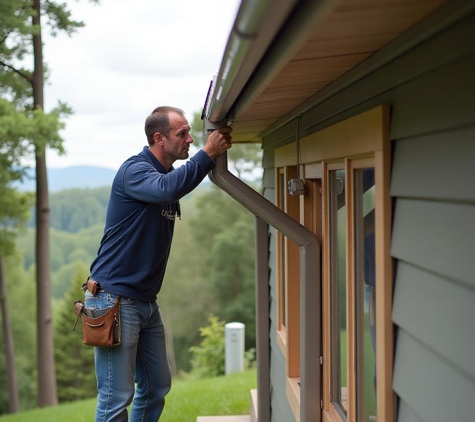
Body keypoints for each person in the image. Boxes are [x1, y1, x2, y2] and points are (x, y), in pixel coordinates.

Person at [84, 106, 233, 421]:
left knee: (156, 388)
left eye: (189, 133)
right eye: (182, 134)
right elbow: (169, 188)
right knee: (115, 400)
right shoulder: (135, 171)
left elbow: (174, 183)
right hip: (114, 299)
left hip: (145, 302)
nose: (190, 139)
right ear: (158, 138)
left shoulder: (164, 174)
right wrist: (208, 153)